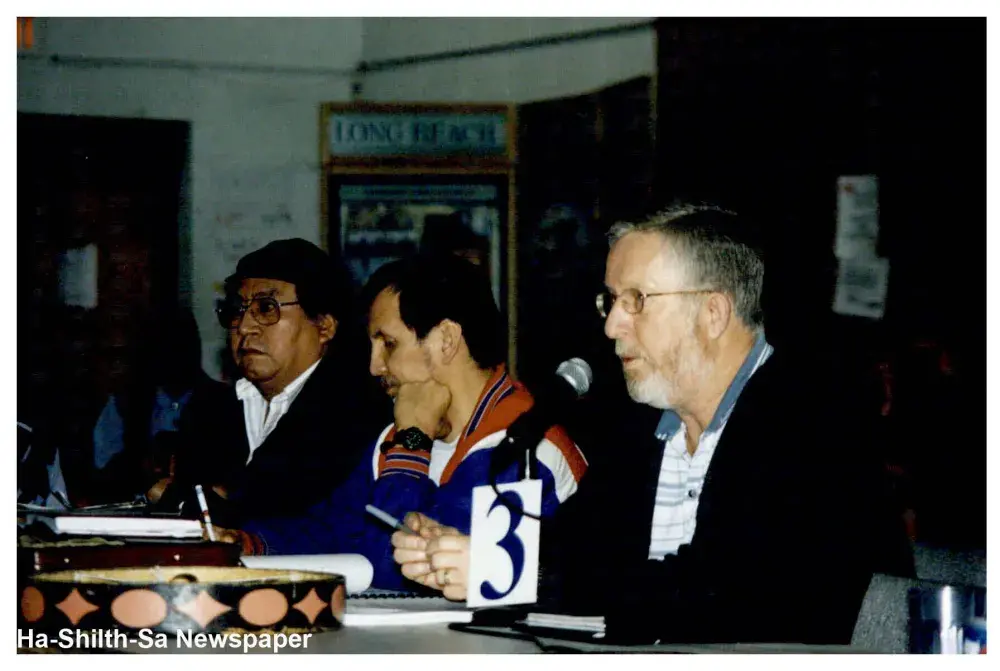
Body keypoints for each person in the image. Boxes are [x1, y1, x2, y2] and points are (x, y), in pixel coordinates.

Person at [391, 205, 913, 643]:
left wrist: (517, 571)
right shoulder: (641, 431)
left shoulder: (815, 425)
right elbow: (577, 548)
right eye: (611, 301)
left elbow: (726, 589)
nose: (613, 325)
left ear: (712, 313)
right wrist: (471, 551)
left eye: (635, 301)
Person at [234, 254, 588, 589]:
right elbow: (332, 530)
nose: (375, 367)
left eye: (388, 344)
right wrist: (245, 543)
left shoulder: (526, 447)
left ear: (446, 340)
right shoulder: (405, 435)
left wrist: (411, 442)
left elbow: (402, 568)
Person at [161, 238, 388, 528]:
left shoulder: (355, 411)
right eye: (238, 310)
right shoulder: (210, 409)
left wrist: (222, 501)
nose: (244, 327)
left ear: (324, 326)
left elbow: (305, 519)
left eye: (267, 308)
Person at [89, 307, 223, 504]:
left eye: (182, 343)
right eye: (165, 343)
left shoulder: (224, 402)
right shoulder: (125, 403)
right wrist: (141, 467)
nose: (175, 353)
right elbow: (103, 472)